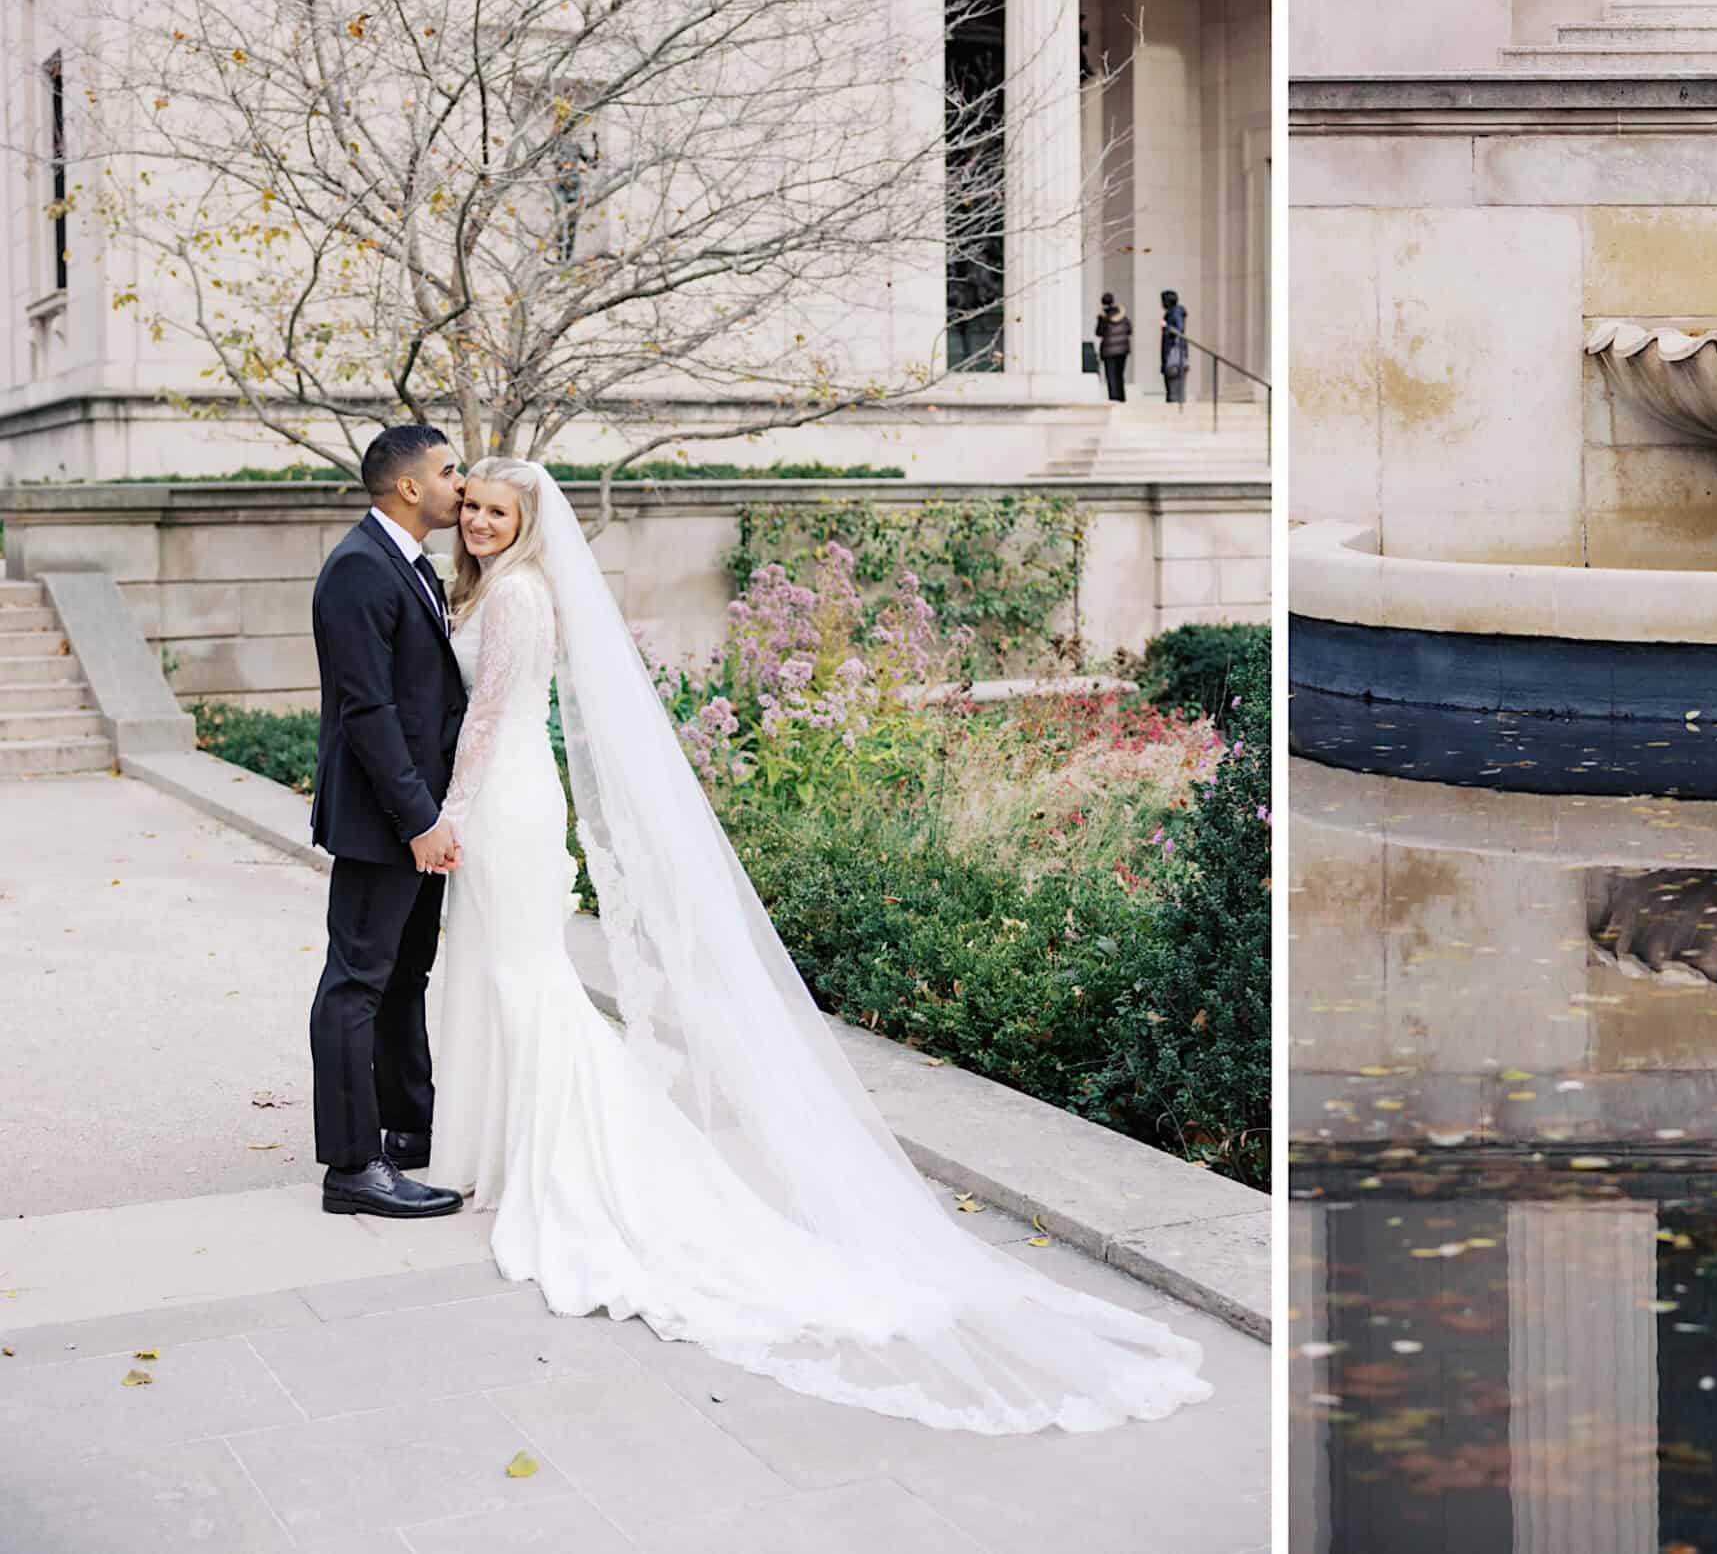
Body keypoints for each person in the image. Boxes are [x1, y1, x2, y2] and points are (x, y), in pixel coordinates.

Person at [410, 456, 1212, 1432]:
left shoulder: (522, 594)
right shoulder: (483, 583)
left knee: (521, 973)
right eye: (475, 507)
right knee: (505, 972)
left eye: (499, 510)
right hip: (497, 801)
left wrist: (446, 811)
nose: (483, 520)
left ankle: (568, 1156)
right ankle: (501, 1145)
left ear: (529, 523)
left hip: (501, 801)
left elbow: (489, 714)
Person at [307, 425, 470, 1219]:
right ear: (409, 487)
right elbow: (367, 712)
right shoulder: (358, 571)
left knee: (407, 976)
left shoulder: (413, 566)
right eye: (448, 471)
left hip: (420, 816)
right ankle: (352, 1166)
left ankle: (407, 1128)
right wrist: (417, 819)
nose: (460, 484)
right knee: (356, 985)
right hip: (384, 820)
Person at [1094, 291, 1133, 401]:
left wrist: (1100, 319)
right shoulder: (1123, 316)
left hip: (1109, 350)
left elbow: (1098, 332)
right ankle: (1121, 397)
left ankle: (1114, 397)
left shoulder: (1104, 317)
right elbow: (1129, 330)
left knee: (1111, 375)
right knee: (1119, 374)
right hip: (1122, 350)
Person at [1159, 287, 1190, 406]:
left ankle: (1175, 405)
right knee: (1175, 386)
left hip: (1174, 353)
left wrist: (1166, 326)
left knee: (1174, 385)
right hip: (1175, 352)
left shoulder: (1174, 312)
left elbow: (1179, 329)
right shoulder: (1174, 312)